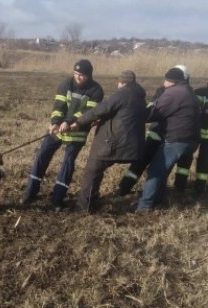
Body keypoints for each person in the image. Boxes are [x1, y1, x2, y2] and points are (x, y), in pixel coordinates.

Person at [21, 59, 104, 211]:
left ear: (89, 75)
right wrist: (55, 122)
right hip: (59, 129)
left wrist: (69, 121)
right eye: (76, 73)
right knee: (42, 154)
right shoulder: (65, 84)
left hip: (77, 132)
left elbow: (88, 112)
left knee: (68, 162)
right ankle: (30, 192)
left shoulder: (96, 90)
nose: (78, 77)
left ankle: (57, 198)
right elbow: (58, 106)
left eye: (82, 75)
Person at [70, 70, 147, 213]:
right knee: (97, 169)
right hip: (132, 145)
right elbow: (122, 114)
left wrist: (79, 123)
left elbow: (100, 110)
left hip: (114, 143)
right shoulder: (140, 97)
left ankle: (85, 205)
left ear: (121, 82)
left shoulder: (122, 94)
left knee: (92, 170)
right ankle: (92, 198)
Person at [117, 65, 190, 196]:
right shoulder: (163, 91)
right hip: (157, 133)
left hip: (169, 137)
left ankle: (158, 192)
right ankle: (124, 187)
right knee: (140, 162)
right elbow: (152, 107)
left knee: (160, 168)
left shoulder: (183, 94)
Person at [136, 67, 201, 214]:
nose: (163, 84)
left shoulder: (173, 93)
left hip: (177, 140)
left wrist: (139, 112)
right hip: (193, 141)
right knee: (163, 170)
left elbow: (154, 114)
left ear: (171, 81)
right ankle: (159, 199)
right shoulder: (189, 92)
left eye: (165, 80)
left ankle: (144, 207)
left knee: (155, 171)